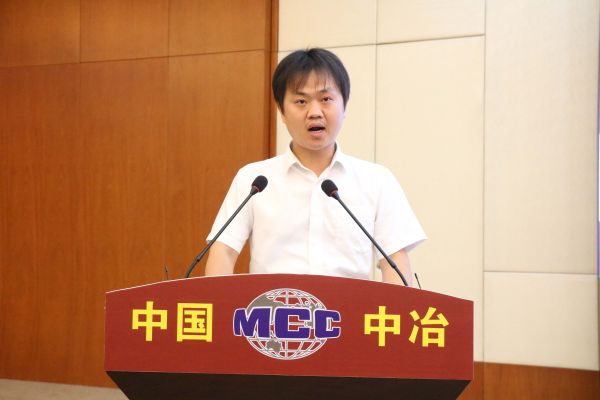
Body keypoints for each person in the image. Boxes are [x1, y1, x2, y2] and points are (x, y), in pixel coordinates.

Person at [204, 48, 426, 285]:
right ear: (282, 112)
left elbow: (394, 260)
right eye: (301, 101)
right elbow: (223, 251)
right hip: (272, 307)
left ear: (344, 106)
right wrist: (219, 304)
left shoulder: (376, 180)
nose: (315, 112)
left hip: (349, 308)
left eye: (326, 99)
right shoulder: (254, 179)